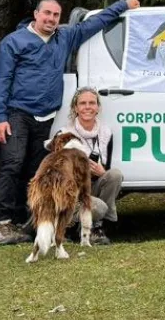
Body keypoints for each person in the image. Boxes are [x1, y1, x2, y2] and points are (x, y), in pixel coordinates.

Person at [0, 0, 139, 245]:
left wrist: (122, 5)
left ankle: (31, 221)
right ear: (36, 14)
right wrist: (1, 117)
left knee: (36, 171)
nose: (51, 19)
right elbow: (1, 79)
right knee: (12, 164)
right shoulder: (14, 42)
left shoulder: (64, 37)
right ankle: (2, 223)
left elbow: (95, 23)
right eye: (46, 13)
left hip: (45, 117)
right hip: (18, 113)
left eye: (56, 15)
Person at [46, 87, 125, 244]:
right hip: (70, 192)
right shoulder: (64, 134)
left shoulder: (106, 133)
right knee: (99, 207)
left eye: (92, 103)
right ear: (75, 108)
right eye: (82, 103)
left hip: (91, 187)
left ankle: (97, 227)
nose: (87, 107)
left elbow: (107, 165)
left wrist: (102, 172)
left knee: (115, 175)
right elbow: (55, 174)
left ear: (98, 107)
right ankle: (68, 225)